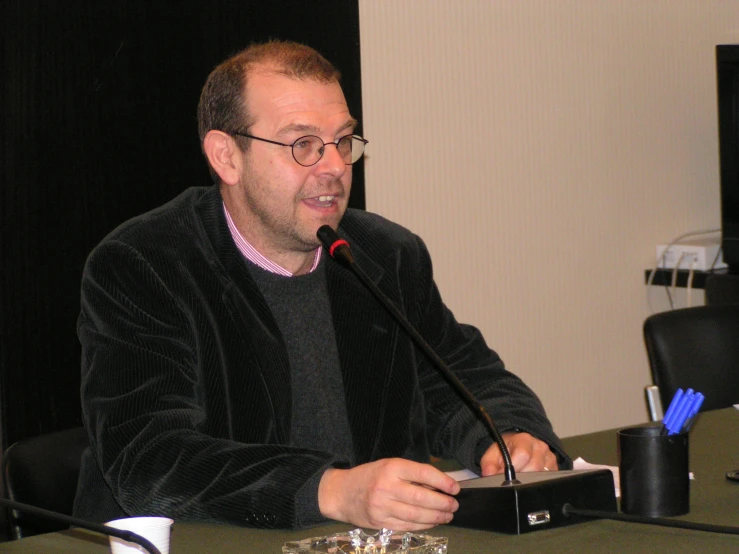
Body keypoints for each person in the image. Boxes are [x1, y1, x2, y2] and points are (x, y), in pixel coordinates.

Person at [74, 40, 570, 532]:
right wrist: (330, 489)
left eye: (343, 141)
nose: (334, 166)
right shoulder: (144, 265)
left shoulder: (385, 254)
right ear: (227, 157)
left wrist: (508, 434)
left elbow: (462, 378)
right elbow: (151, 457)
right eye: (303, 144)